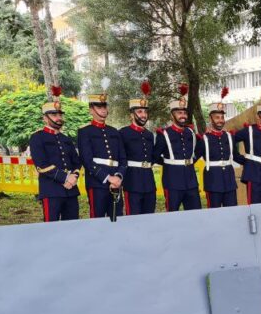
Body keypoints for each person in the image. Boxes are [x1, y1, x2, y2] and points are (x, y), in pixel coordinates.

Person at [28, 86, 81, 222]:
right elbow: (41, 165)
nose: (58, 118)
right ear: (45, 118)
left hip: (71, 191)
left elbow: (76, 161)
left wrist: (74, 177)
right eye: (54, 115)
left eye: (59, 115)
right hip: (51, 191)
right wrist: (65, 178)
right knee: (51, 229)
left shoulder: (66, 139)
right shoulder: (37, 138)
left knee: (73, 228)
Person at [77, 82, 126, 220]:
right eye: (99, 106)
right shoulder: (84, 132)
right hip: (97, 183)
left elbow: (123, 159)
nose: (103, 109)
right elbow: (87, 160)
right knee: (97, 219)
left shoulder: (114, 132)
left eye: (105, 106)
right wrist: (108, 177)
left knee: (117, 218)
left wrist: (118, 177)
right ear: (91, 110)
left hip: (116, 182)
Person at [155, 84, 202, 212]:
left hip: (191, 182)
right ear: (172, 115)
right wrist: (169, 162)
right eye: (179, 113)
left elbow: (199, 151)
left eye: (184, 113)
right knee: (172, 216)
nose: (183, 116)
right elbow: (155, 156)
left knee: (196, 215)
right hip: (172, 182)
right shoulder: (164, 134)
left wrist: (191, 161)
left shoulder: (191, 133)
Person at [118, 81, 158, 216]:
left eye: (145, 112)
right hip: (132, 181)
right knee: (133, 218)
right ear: (131, 114)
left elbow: (152, 157)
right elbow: (120, 158)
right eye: (139, 111)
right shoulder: (123, 133)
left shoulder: (149, 134)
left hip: (149, 181)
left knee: (149, 216)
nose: (143, 115)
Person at [198, 87, 238, 209]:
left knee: (232, 212)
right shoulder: (204, 139)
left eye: (222, 117)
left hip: (230, 181)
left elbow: (236, 156)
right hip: (213, 182)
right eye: (217, 117)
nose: (220, 120)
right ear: (210, 119)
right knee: (214, 214)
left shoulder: (229, 136)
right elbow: (193, 157)